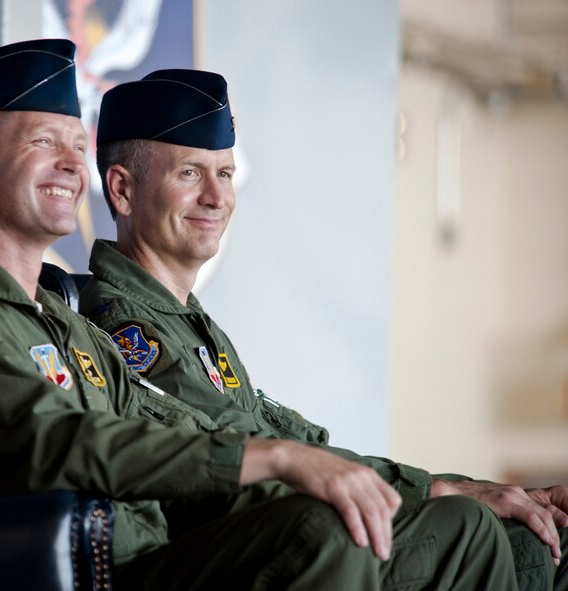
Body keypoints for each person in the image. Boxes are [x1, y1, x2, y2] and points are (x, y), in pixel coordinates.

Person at [0, 39, 520, 590]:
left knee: (462, 529)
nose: (75, 165)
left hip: (148, 556)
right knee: (328, 532)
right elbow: (53, 440)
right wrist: (276, 459)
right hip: (86, 573)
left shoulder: (69, 325)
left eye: (79, 144)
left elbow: (185, 429)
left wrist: (351, 474)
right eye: (44, 142)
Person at [81, 68, 568, 589]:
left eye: (224, 174)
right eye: (189, 174)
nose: (217, 197)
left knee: (540, 538)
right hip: (228, 555)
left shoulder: (190, 323)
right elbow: (247, 459)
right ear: (123, 190)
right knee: (468, 527)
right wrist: (437, 494)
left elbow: (295, 440)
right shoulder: (122, 328)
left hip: (280, 533)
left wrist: (461, 485)